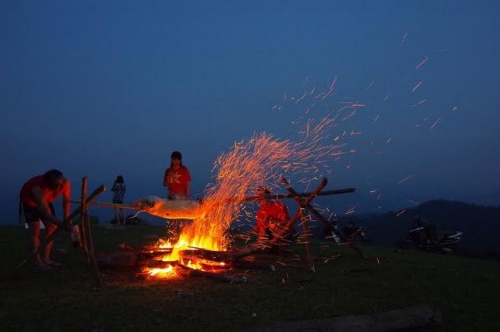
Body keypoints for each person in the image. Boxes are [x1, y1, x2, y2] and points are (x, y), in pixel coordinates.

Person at [19, 169, 72, 271]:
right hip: (30, 203)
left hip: (46, 201)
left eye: (61, 183)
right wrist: (63, 225)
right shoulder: (37, 189)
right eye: (58, 185)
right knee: (35, 228)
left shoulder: (65, 182)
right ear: (50, 184)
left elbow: (66, 200)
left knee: (52, 227)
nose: (60, 187)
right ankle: (37, 262)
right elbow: (46, 214)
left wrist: (67, 218)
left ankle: (46, 259)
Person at [163, 151, 191, 238]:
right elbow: (164, 184)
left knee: (183, 217)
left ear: (180, 160)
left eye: (177, 159)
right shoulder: (168, 171)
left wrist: (187, 195)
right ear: (171, 160)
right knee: (172, 217)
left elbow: (187, 183)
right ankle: (173, 236)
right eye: (174, 159)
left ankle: (183, 236)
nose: (176, 161)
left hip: (182, 196)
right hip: (172, 196)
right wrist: (167, 181)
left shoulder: (184, 170)